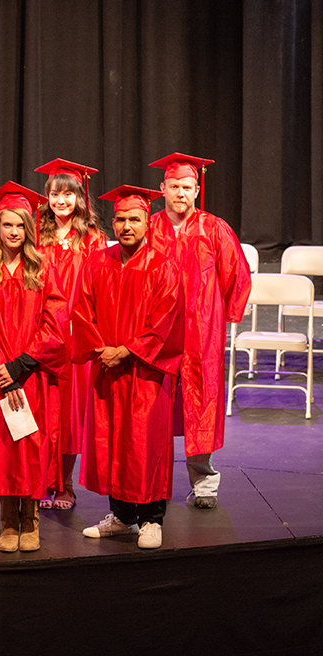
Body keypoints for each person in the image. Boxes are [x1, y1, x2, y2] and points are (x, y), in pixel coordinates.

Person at [0, 182, 68, 553]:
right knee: (3, 448)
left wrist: (22, 364)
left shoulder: (42, 269)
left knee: (32, 445)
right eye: (7, 225)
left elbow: (56, 322)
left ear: (29, 229)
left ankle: (31, 519)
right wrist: (2, 371)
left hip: (32, 373)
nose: (13, 232)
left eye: (20, 225)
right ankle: (9, 521)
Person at [76, 185, 183, 550]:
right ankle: (122, 516)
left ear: (147, 223)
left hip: (146, 373)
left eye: (134, 219)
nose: (126, 226)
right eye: (120, 219)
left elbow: (165, 322)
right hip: (108, 369)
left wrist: (126, 350)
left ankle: (152, 519)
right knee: (112, 443)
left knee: (145, 443)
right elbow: (82, 311)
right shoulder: (97, 262)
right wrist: (101, 349)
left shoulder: (162, 266)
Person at [146, 153, 251, 509]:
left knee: (201, 402)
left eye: (187, 187)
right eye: (174, 186)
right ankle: (151, 482)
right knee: (155, 406)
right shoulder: (149, 228)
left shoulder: (214, 228)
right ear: (162, 189)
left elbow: (236, 274)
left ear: (197, 190)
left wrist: (221, 314)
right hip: (158, 332)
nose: (180, 192)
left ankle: (204, 484)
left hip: (201, 331)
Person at [33, 158, 107, 511]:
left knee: (69, 414)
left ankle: (64, 483)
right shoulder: (36, 234)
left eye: (68, 194)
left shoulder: (93, 240)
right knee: (42, 409)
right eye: (54, 194)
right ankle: (41, 481)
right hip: (41, 332)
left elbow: (101, 287)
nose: (60, 200)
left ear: (80, 197)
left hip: (77, 335)